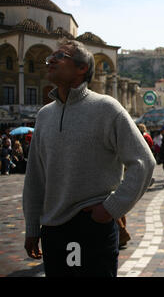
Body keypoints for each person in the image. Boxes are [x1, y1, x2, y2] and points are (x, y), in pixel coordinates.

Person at [22, 38, 156, 277]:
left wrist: (111, 208)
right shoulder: (44, 116)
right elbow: (35, 177)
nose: (50, 60)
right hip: (53, 230)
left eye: (59, 56)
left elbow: (143, 161)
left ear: (82, 68)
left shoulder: (106, 108)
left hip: (92, 227)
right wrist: (32, 227)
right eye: (49, 57)